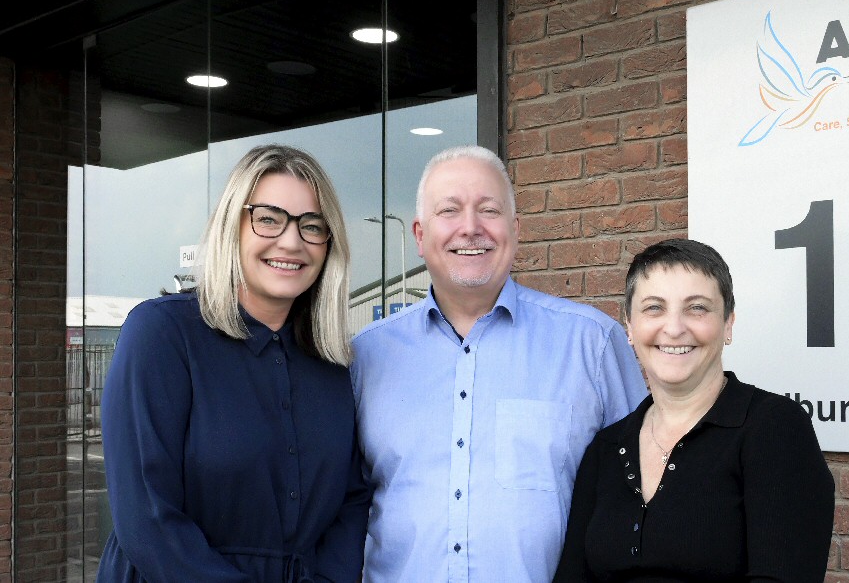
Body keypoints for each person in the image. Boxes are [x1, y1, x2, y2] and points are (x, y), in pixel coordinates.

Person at [350, 145, 648, 582]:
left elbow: (642, 495)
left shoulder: (592, 345)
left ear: (515, 228)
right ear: (418, 234)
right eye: (449, 211)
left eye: (488, 210)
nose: (470, 229)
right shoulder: (366, 357)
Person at [98, 144, 371, 582]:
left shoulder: (331, 362)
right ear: (232, 226)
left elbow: (352, 501)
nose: (291, 241)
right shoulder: (161, 335)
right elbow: (147, 515)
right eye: (268, 218)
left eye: (312, 226)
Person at [553, 238, 835, 582]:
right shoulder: (607, 447)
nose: (673, 328)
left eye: (697, 308)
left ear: (728, 324)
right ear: (629, 326)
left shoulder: (774, 428)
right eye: (654, 308)